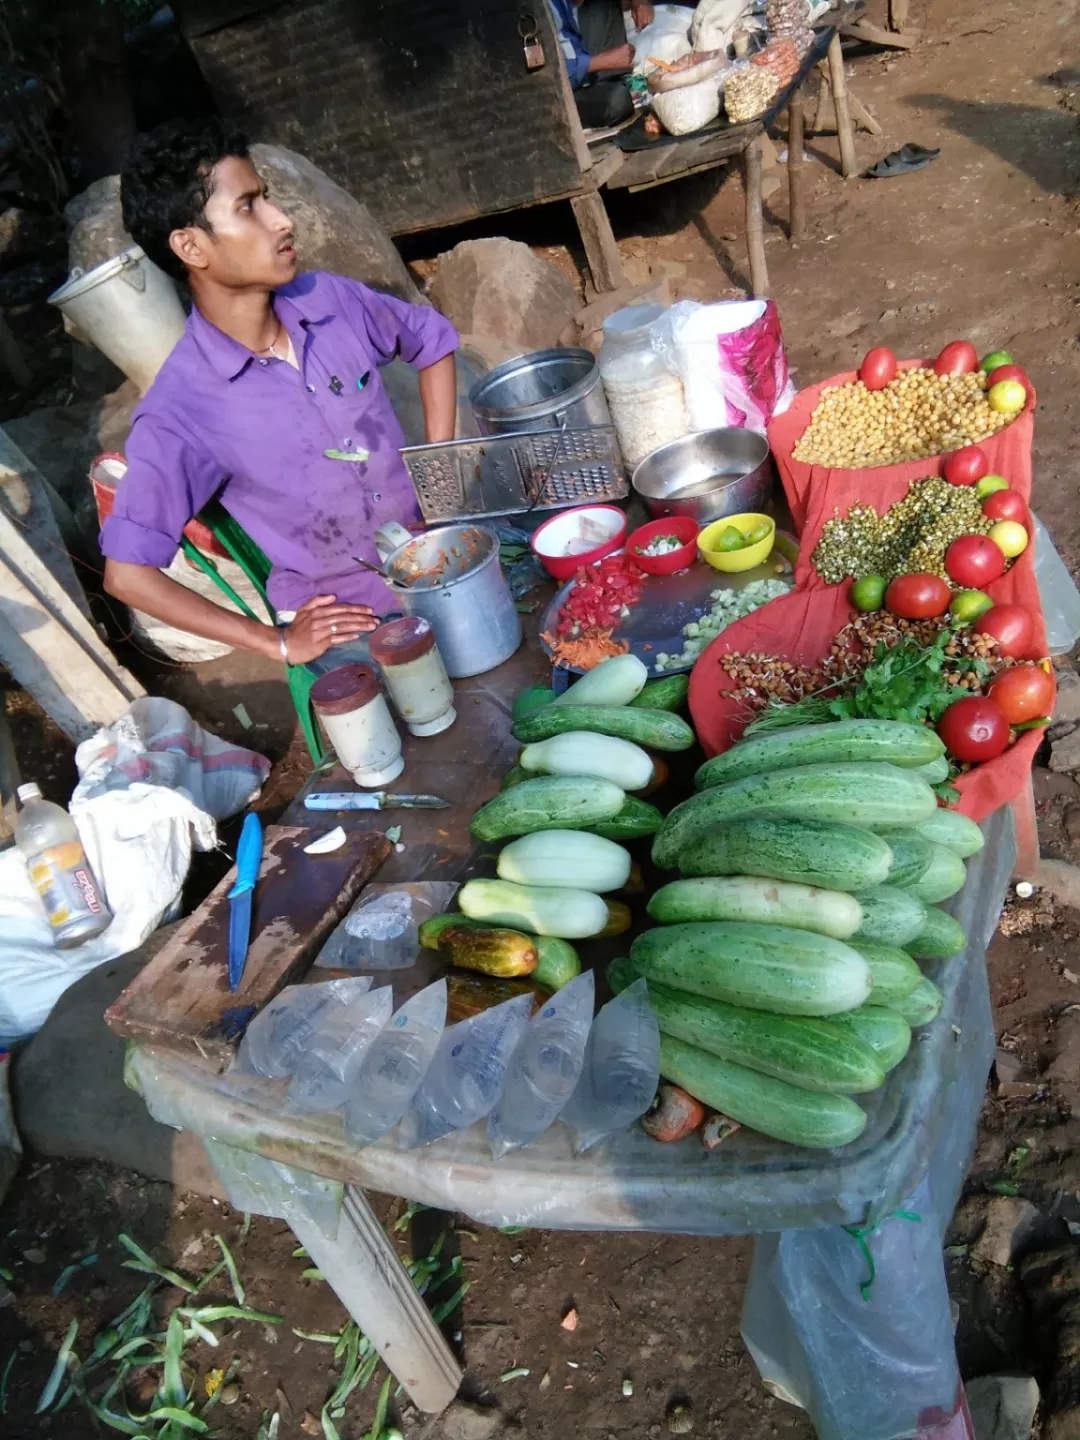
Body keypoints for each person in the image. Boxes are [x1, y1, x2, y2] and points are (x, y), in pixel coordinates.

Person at [101, 117, 459, 673]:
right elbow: (127, 574)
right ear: (191, 246)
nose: (281, 219)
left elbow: (432, 343)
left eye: (267, 198)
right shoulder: (182, 410)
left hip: (440, 559)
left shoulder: (330, 300)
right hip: (351, 622)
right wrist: (277, 642)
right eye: (248, 206)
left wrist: (440, 483)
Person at [550, 0, 655, 129]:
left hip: (580, 57)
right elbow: (548, 78)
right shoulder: (534, 10)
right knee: (618, 101)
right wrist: (600, 62)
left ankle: (612, 80)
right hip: (561, 92)